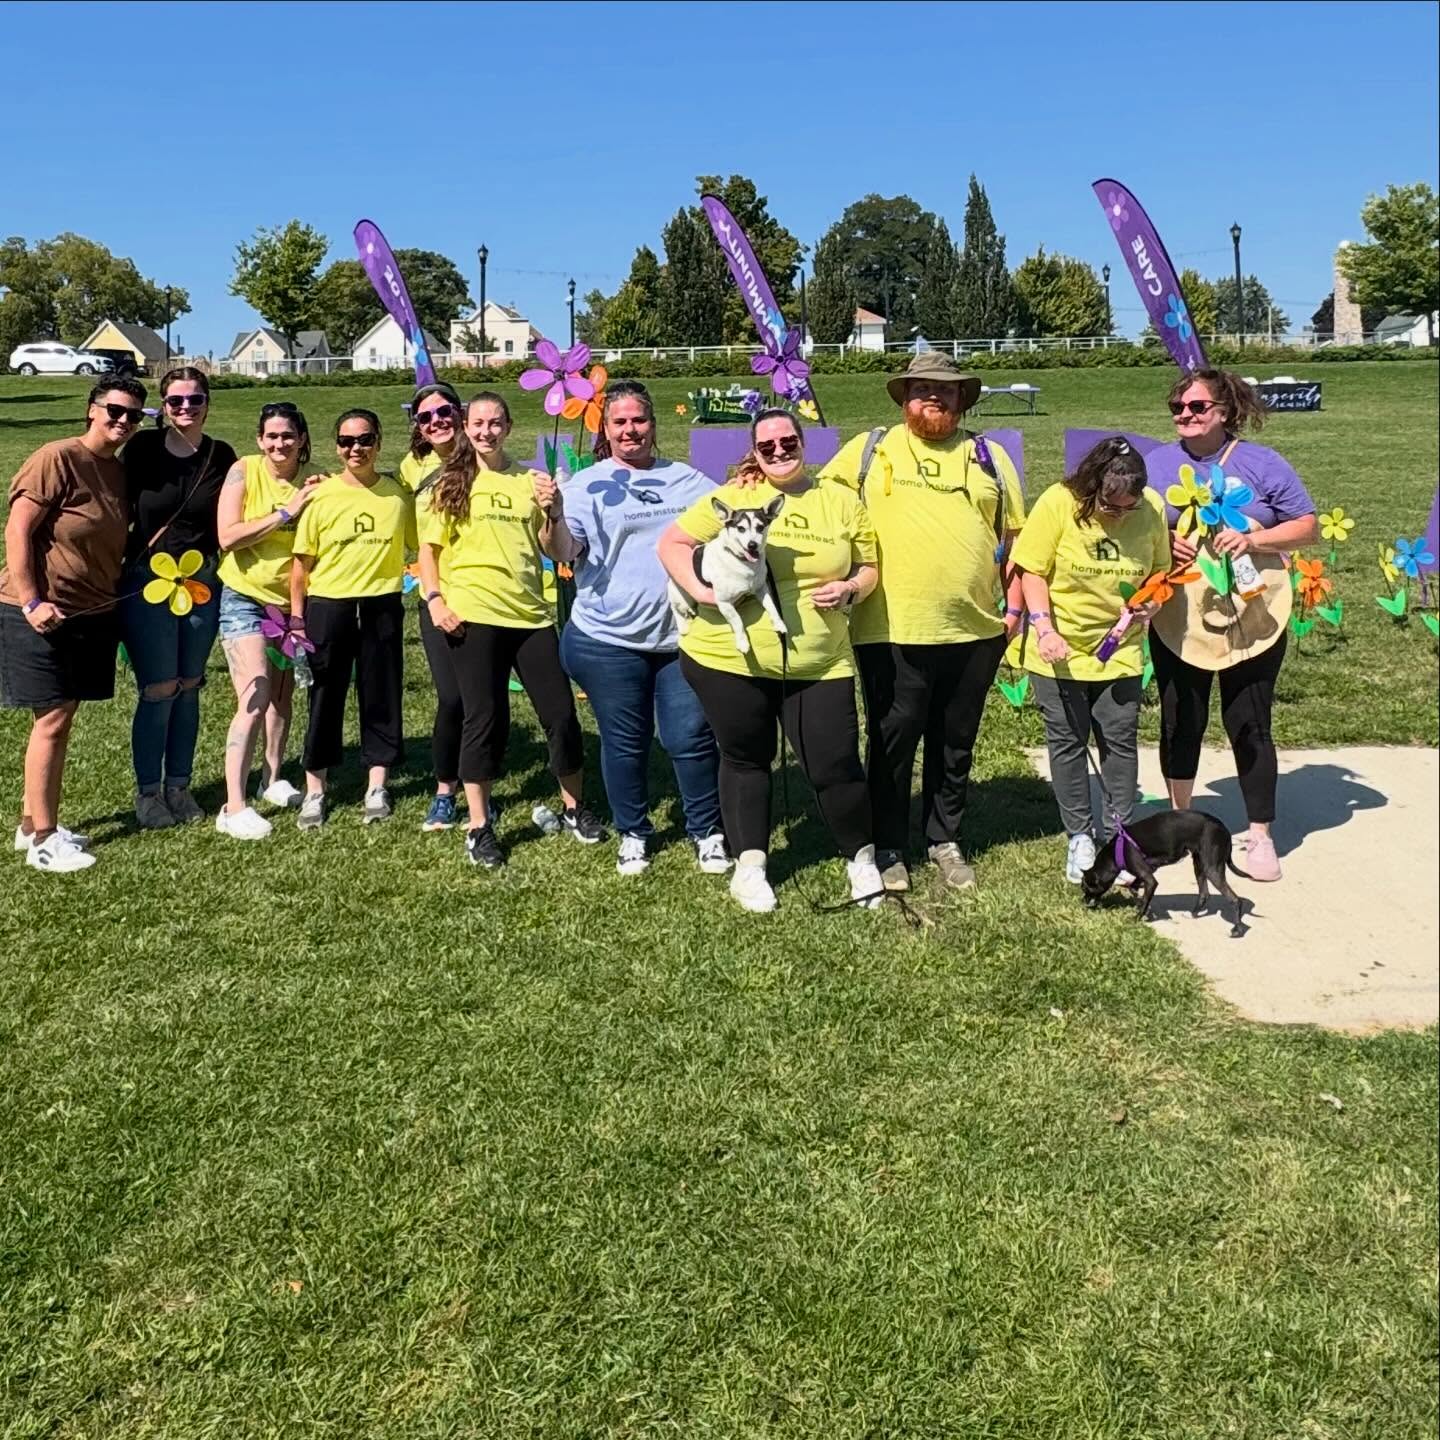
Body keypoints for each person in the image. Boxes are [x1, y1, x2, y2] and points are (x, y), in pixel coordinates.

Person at [658, 409, 883, 913]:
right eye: (768, 446)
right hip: (728, 660)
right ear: (755, 452)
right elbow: (671, 542)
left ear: (804, 442)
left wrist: (849, 588)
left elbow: (870, 568)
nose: (780, 451)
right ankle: (751, 868)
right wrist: (700, 591)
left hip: (820, 663)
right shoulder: (736, 496)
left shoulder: (841, 501)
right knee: (745, 760)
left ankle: (861, 860)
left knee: (835, 764)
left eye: (788, 441)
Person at [818, 353, 1025, 894]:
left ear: (962, 400)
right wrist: (754, 470)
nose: (933, 398)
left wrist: (1016, 609)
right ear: (904, 397)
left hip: (976, 628)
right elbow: (816, 505)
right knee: (891, 738)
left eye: (946, 390)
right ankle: (888, 843)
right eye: (922, 389)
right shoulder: (869, 449)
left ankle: (944, 838)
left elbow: (1016, 540)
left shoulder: (990, 456)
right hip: (889, 626)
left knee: (955, 741)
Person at [545, 381, 728, 877]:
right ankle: (633, 832)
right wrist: (553, 517)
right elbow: (563, 553)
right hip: (608, 640)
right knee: (624, 741)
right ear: (605, 430)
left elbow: (729, 531)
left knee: (688, 737)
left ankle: (706, 831)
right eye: (619, 422)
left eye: (639, 420)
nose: (631, 430)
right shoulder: (584, 486)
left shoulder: (690, 482)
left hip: (680, 638)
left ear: (653, 424)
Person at [1145, 369, 1319, 882]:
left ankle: (1260, 835)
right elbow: (1131, 521)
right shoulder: (1157, 464)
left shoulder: (1262, 463)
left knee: (1249, 719)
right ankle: (1180, 820)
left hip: (1255, 611)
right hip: (1181, 614)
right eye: (1178, 407)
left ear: (1224, 411)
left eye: (1196, 407)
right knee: (1181, 717)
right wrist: (1164, 542)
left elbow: (1306, 526)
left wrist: (1254, 540)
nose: (1185, 415)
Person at [419, 391, 605, 868]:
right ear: (465, 425)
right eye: (478, 423)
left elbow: (553, 548)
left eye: (495, 422)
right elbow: (429, 552)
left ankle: (573, 808)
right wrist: (435, 599)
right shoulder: (449, 482)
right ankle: (479, 827)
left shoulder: (531, 481)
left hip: (530, 617)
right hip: (473, 615)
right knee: (483, 718)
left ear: (508, 426)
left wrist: (554, 511)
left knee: (561, 714)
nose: (486, 431)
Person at [0, 376, 148, 872]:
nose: (122, 421)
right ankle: (45, 840)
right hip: (42, 611)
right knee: (53, 721)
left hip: (91, 611)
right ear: (91, 409)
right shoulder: (57, 457)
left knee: (60, 720)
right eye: (114, 410)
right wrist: (31, 600)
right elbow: (18, 529)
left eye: (132, 415)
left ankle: (30, 825)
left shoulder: (117, 471)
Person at [1007, 436, 1171, 882]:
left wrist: (1152, 601)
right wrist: (1044, 627)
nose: (1119, 515)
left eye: (1128, 508)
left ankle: (1120, 835)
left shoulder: (1150, 507)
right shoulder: (1058, 502)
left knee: (1119, 740)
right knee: (1067, 743)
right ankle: (1079, 835)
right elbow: (1032, 570)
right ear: (1091, 487)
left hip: (1120, 650)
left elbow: (1160, 569)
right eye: (1110, 507)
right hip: (1058, 647)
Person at [118, 367, 238, 828]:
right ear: (162, 407)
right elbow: (114, 507)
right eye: (175, 401)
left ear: (208, 402)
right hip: (148, 580)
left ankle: (179, 787)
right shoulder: (143, 449)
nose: (185, 408)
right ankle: (149, 792)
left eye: (195, 399)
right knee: (158, 689)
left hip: (202, 582)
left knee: (189, 687)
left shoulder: (221, 455)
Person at [289, 409, 415, 829]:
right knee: (324, 696)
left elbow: (421, 547)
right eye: (346, 442)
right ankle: (315, 790)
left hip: (381, 604)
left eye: (364, 440)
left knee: (381, 693)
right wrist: (296, 617)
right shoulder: (321, 495)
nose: (355, 449)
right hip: (329, 605)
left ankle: (376, 784)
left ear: (379, 442)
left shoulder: (398, 496)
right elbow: (301, 564)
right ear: (336, 446)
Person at [213, 402, 322, 840]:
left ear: (301, 439)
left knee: (281, 695)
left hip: (291, 604)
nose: (280, 444)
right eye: (271, 436)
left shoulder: (317, 479)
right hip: (244, 598)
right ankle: (233, 805)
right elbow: (227, 536)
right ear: (260, 440)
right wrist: (286, 512)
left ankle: (273, 778)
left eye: (288, 436)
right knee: (255, 693)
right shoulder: (244, 470)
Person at [399, 382, 468, 833]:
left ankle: (479, 782)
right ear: (418, 427)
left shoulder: (480, 458)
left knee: (483, 700)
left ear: (459, 413)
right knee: (452, 696)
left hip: (484, 593)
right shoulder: (412, 467)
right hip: (436, 593)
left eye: (444, 412)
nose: (436, 421)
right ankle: (445, 790)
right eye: (426, 417)